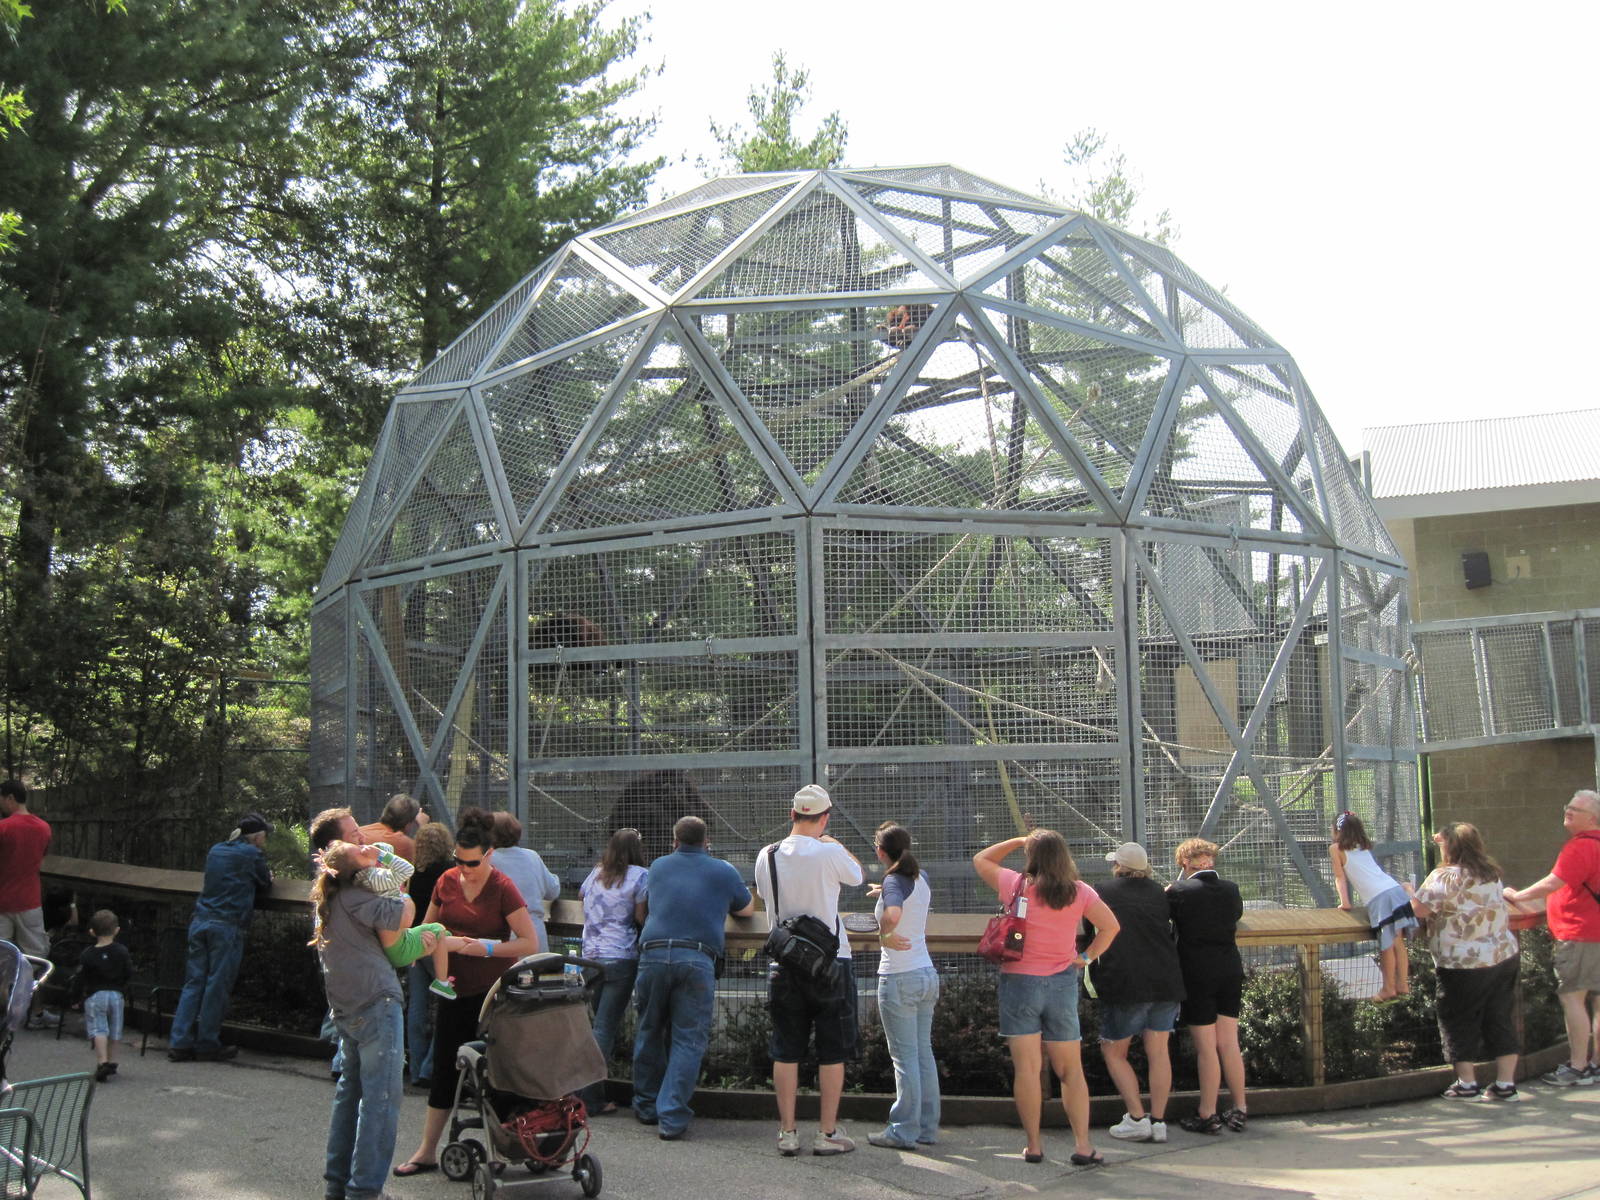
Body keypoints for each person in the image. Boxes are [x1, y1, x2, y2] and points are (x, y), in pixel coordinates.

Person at [395, 808, 540, 1176]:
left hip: (492, 995)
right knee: (445, 1067)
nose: (464, 869)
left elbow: (529, 943)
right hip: (455, 993)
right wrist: (421, 946)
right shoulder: (446, 880)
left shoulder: (503, 887)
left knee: (500, 1071)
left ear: (489, 855)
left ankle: (515, 1143)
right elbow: (427, 926)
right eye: (459, 860)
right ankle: (427, 1150)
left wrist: (487, 947)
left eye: (472, 863)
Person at [972, 829, 1118, 1166]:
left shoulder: (1015, 885)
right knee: (1071, 1070)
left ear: (1032, 857)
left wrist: (1017, 840)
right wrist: (1085, 957)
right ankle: (1083, 1146)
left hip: (1019, 982)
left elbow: (980, 859)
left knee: (1027, 1069)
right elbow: (1111, 927)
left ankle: (1034, 1145)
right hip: (1062, 984)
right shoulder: (1079, 891)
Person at [312, 821, 433, 1200]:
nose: (365, 839)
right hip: (375, 1002)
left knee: (351, 1094)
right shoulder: (358, 893)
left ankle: (338, 1183)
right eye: (356, 839)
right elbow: (402, 916)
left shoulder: (327, 896)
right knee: (381, 1100)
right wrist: (406, 898)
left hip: (345, 1007)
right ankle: (364, 1189)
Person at [754, 784, 864, 1157]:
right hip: (832, 962)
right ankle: (827, 1133)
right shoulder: (828, 853)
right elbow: (858, 876)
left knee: (786, 1048)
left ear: (792, 815)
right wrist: (835, 844)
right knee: (833, 1050)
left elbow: (767, 901)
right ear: (825, 818)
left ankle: (788, 1133)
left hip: (784, 963)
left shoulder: (766, 856)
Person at [630, 815, 753, 1140]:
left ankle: (645, 1106)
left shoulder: (657, 867)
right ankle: (671, 1117)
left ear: (675, 840)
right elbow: (747, 909)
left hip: (653, 954)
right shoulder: (723, 870)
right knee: (688, 1039)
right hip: (697, 958)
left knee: (649, 1028)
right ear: (706, 841)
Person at [1405, 823, 1521, 1100]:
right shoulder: (1491, 873)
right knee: (1499, 1017)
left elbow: (1419, 909)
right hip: (1502, 955)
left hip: (1461, 962)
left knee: (1458, 1018)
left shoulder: (1444, 877)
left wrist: (1409, 890)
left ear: (1451, 847)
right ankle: (1506, 1084)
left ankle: (1467, 1082)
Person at [1503, 788, 1600, 1086]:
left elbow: (1553, 882)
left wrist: (1518, 895)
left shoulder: (1581, 847)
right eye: (1567, 806)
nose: (1568, 812)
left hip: (1580, 934)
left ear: (1593, 817)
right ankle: (1594, 1064)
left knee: (1573, 997)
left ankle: (1578, 1066)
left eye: (1575, 809)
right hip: (1593, 932)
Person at [1091, 843, 1184, 1145]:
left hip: (1126, 981)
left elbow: (1092, 929)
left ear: (1118, 865)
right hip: (1166, 979)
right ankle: (1158, 1121)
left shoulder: (1102, 890)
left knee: (1114, 1051)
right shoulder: (1159, 892)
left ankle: (1136, 1117)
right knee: (1158, 1051)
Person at [167, 812, 274, 1063]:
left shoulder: (216, 850)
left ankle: (179, 1041)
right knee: (217, 985)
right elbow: (265, 883)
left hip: (201, 919)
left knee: (194, 983)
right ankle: (207, 1043)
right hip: (227, 925)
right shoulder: (252, 855)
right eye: (264, 836)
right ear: (257, 837)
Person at [865, 822, 940, 1151]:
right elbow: (903, 899)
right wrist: (884, 893)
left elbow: (894, 914)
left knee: (904, 1058)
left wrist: (884, 933)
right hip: (926, 974)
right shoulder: (918, 877)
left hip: (899, 978)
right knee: (923, 1054)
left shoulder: (894, 880)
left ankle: (901, 1130)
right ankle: (926, 1126)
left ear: (881, 852)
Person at [1168, 837, 1247, 1134]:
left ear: (1185, 863)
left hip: (1197, 972)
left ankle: (1207, 1112)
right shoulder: (1231, 890)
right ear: (1211, 860)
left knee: (1206, 1047)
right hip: (1230, 968)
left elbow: (1170, 916)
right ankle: (1240, 1108)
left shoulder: (1178, 891)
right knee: (1229, 1042)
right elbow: (1236, 916)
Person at [578, 827, 649, 1115]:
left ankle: (583, 1089)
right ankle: (590, 1098)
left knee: (596, 1025)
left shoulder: (596, 873)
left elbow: (582, 896)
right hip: (621, 956)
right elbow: (640, 916)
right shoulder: (641, 875)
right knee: (605, 1028)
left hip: (591, 956)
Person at [317, 841, 457, 975]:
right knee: (440, 932)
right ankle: (448, 976)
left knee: (443, 937)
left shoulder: (357, 883)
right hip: (397, 947)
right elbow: (407, 870)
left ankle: (474, 946)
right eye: (361, 852)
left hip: (392, 946)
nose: (365, 848)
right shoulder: (371, 877)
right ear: (356, 867)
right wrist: (380, 855)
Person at [1329, 811, 1418, 1002]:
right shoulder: (1363, 847)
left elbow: (1340, 877)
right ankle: (1402, 984)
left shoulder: (1336, 849)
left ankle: (1388, 988)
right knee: (1398, 943)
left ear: (1337, 831)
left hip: (1380, 898)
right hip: (1395, 890)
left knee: (1386, 946)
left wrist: (1345, 902)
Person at [404, 821, 454, 1088]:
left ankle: (415, 1067)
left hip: (414, 943)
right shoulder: (449, 872)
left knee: (417, 1007)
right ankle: (430, 1067)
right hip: (438, 944)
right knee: (449, 1003)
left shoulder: (412, 873)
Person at [487, 811, 561, 953]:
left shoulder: (487, 861)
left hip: (503, 937)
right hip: (535, 933)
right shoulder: (532, 856)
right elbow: (554, 891)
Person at [78, 908, 132, 1083]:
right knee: (115, 1027)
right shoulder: (122, 951)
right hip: (116, 994)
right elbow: (128, 971)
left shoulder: (87, 954)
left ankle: (102, 1061)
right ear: (116, 930)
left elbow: (82, 976)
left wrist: (77, 996)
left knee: (99, 1027)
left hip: (95, 995)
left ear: (92, 931)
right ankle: (112, 1059)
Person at [0, 779, 52, 960]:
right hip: (30, 901)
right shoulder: (44, 828)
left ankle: (5, 988)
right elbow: (41, 858)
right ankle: (31, 986)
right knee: (35, 955)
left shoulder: (3, 828)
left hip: (3, 900)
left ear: (10, 798)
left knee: (2, 954)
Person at [358, 794, 426, 866]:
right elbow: (425, 864)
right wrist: (423, 827)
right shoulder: (403, 843)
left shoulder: (361, 831)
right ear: (408, 825)